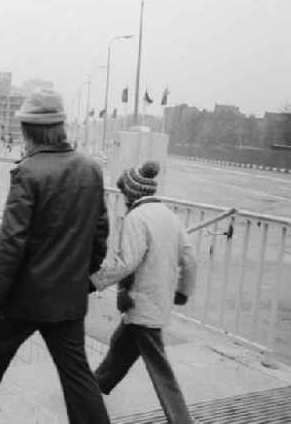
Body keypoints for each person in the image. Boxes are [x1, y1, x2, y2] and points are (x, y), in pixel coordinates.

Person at [0, 89, 110, 424]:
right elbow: (99, 235)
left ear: (28, 132)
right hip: (67, 298)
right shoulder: (90, 170)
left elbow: (11, 244)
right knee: (76, 373)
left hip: (23, 298)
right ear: (61, 127)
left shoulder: (28, 173)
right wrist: (81, 277)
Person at [90, 161, 197, 423]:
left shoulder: (136, 218)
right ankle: (92, 389)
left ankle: (181, 418)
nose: (124, 198)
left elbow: (127, 262)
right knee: (121, 347)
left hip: (140, 301)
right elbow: (190, 259)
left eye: (125, 192)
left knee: (159, 367)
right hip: (157, 301)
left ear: (132, 192)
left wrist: (95, 281)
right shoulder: (170, 216)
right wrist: (183, 291)